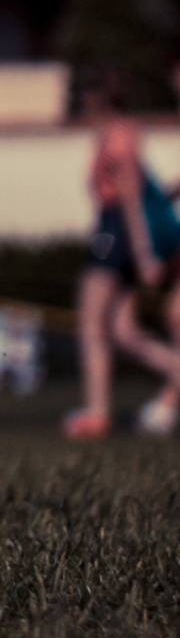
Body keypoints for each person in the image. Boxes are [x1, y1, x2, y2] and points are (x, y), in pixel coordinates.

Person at [73, 112, 180, 439]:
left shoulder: (118, 134)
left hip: (117, 233)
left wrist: (144, 252)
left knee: (91, 326)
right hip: (120, 232)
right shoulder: (124, 132)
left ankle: (97, 412)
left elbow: (130, 197)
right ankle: (98, 412)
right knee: (123, 332)